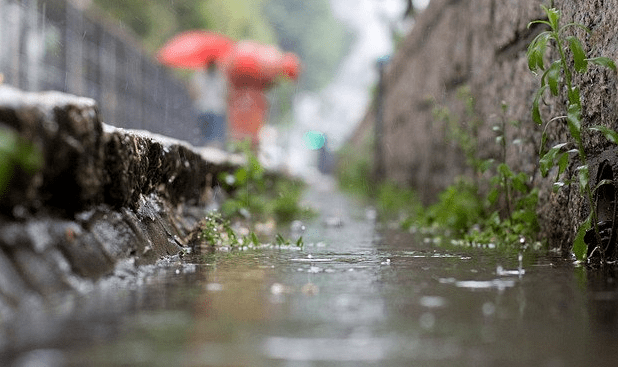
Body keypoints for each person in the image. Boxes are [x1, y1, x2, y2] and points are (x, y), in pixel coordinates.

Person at [192, 64, 227, 148]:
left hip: (203, 108)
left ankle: (204, 153)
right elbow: (225, 93)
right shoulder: (221, 77)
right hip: (215, 109)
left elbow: (194, 92)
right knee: (214, 139)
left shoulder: (199, 75)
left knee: (202, 138)